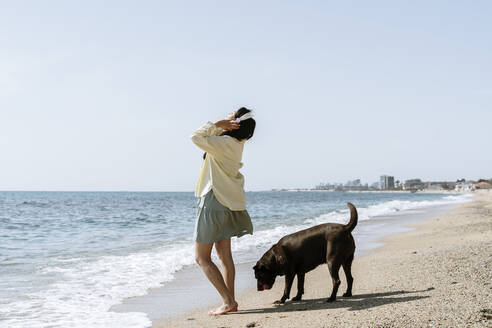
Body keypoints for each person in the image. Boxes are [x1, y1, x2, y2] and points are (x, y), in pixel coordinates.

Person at [190, 107, 256, 316]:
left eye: (232, 115)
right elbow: (208, 138)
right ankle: (231, 301)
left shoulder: (223, 143)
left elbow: (195, 137)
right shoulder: (237, 143)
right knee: (224, 256)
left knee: (202, 258)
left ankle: (228, 301)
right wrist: (226, 124)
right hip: (228, 202)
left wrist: (219, 123)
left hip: (213, 200)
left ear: (234, 124)